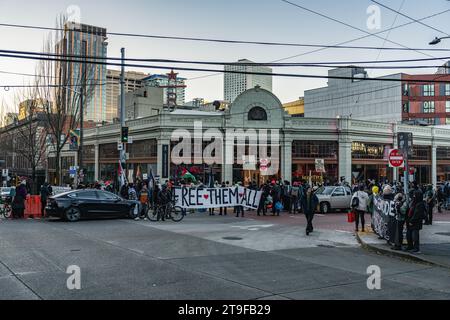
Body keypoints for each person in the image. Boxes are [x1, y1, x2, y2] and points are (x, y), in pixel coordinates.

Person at [406, 190, 426, 254]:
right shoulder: (415, 202)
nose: (413, 196)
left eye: (415, 195)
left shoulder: (420, 204)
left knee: (415, 236)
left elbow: (417, 214)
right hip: (411, 221)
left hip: (416, 222)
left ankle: (416, 248)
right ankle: (411, 246)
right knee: (410, 234)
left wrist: (412, 221)